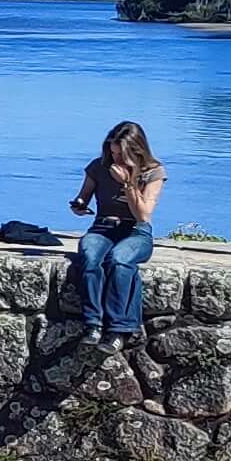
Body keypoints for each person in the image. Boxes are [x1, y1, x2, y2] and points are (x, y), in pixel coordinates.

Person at [70, 121, 166, 342]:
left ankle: (118, 329)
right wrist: (80, 204)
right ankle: (93, 323)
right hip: (103, 226)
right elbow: (84, 194)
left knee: (120, 260)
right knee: (90, 257)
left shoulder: (154, 172)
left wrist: (129, 183)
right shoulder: (98, 166)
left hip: (135, 231)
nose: (116, 160)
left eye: (121, 155)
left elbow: (143, 215)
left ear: (136, 151)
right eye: (113, 153)